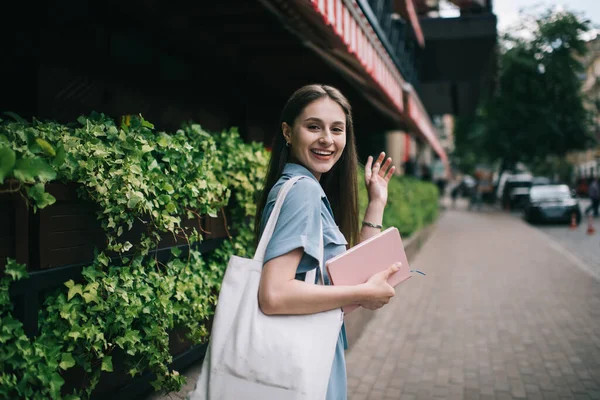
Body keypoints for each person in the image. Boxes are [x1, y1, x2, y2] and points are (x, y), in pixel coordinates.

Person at [254, 84, 400, 400]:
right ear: (288, 132)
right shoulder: (303, 192)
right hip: (303, 360)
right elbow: (274, 294)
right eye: (313, 127)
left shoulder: (304, 189)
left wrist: (376, 203)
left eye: (337, 129)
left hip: (312, 351)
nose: (327, 139)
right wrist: (364, 293)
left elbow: (348, 275)